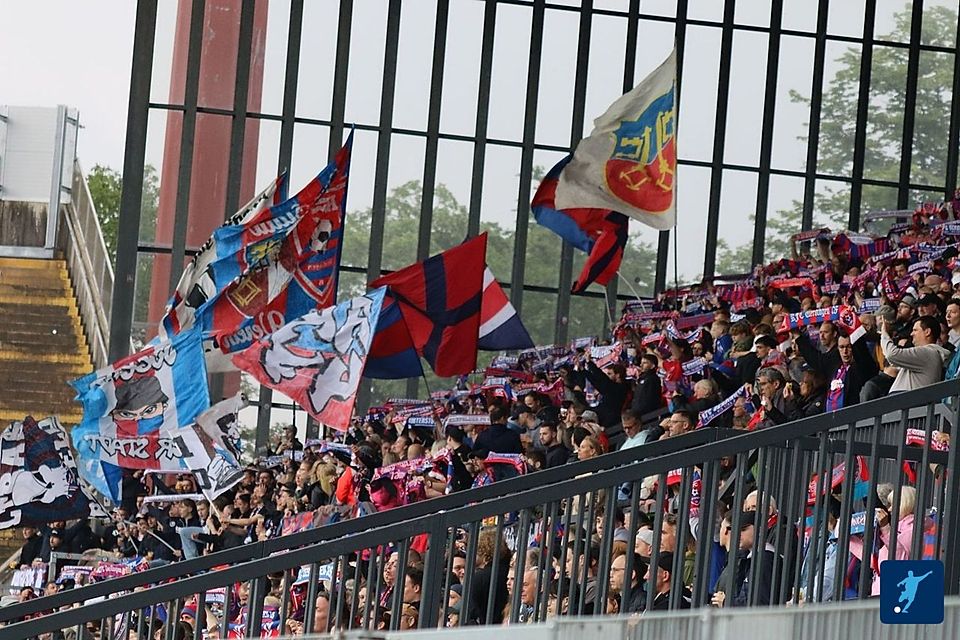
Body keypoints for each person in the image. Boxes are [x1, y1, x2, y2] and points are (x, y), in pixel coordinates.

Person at [881, 315, 951, 391]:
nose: (911, 334)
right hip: (907, 399)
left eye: (915, 330)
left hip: (908, 401)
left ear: (927, 332)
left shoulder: (928, 352)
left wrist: (884, 334)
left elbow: (891, 354)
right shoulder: (926, 354)